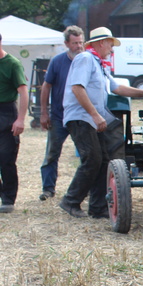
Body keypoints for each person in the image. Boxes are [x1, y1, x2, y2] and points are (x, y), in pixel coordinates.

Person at [59, 27, 143, 219]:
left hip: (90, 118)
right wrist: (95, 115)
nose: (112, 49)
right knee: (93, 159)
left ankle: (97, 208)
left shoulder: (100, 64)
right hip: (81, 118)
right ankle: (70, 201)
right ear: (101, 43)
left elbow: (118, 88)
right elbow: (77, 88)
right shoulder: (85, 59)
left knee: (104, 161)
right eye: (111, 44)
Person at [38, 25, 85, 201]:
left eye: (81, 42)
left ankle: (82, 189)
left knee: (85, 154)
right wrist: (44, 113)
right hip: (59, 116)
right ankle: (48, 189)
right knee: (52, 153)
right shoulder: (57, 62)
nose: (79, 46)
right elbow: (46, 86)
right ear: (66, 44)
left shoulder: (88, 61)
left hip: (80, 116)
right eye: (75, 43)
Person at [0, 32, 29, 214]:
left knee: (6, 159)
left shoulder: (12, 64)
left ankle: (8, 198)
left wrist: (20, 119)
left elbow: (23, 92)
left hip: (7, 111)